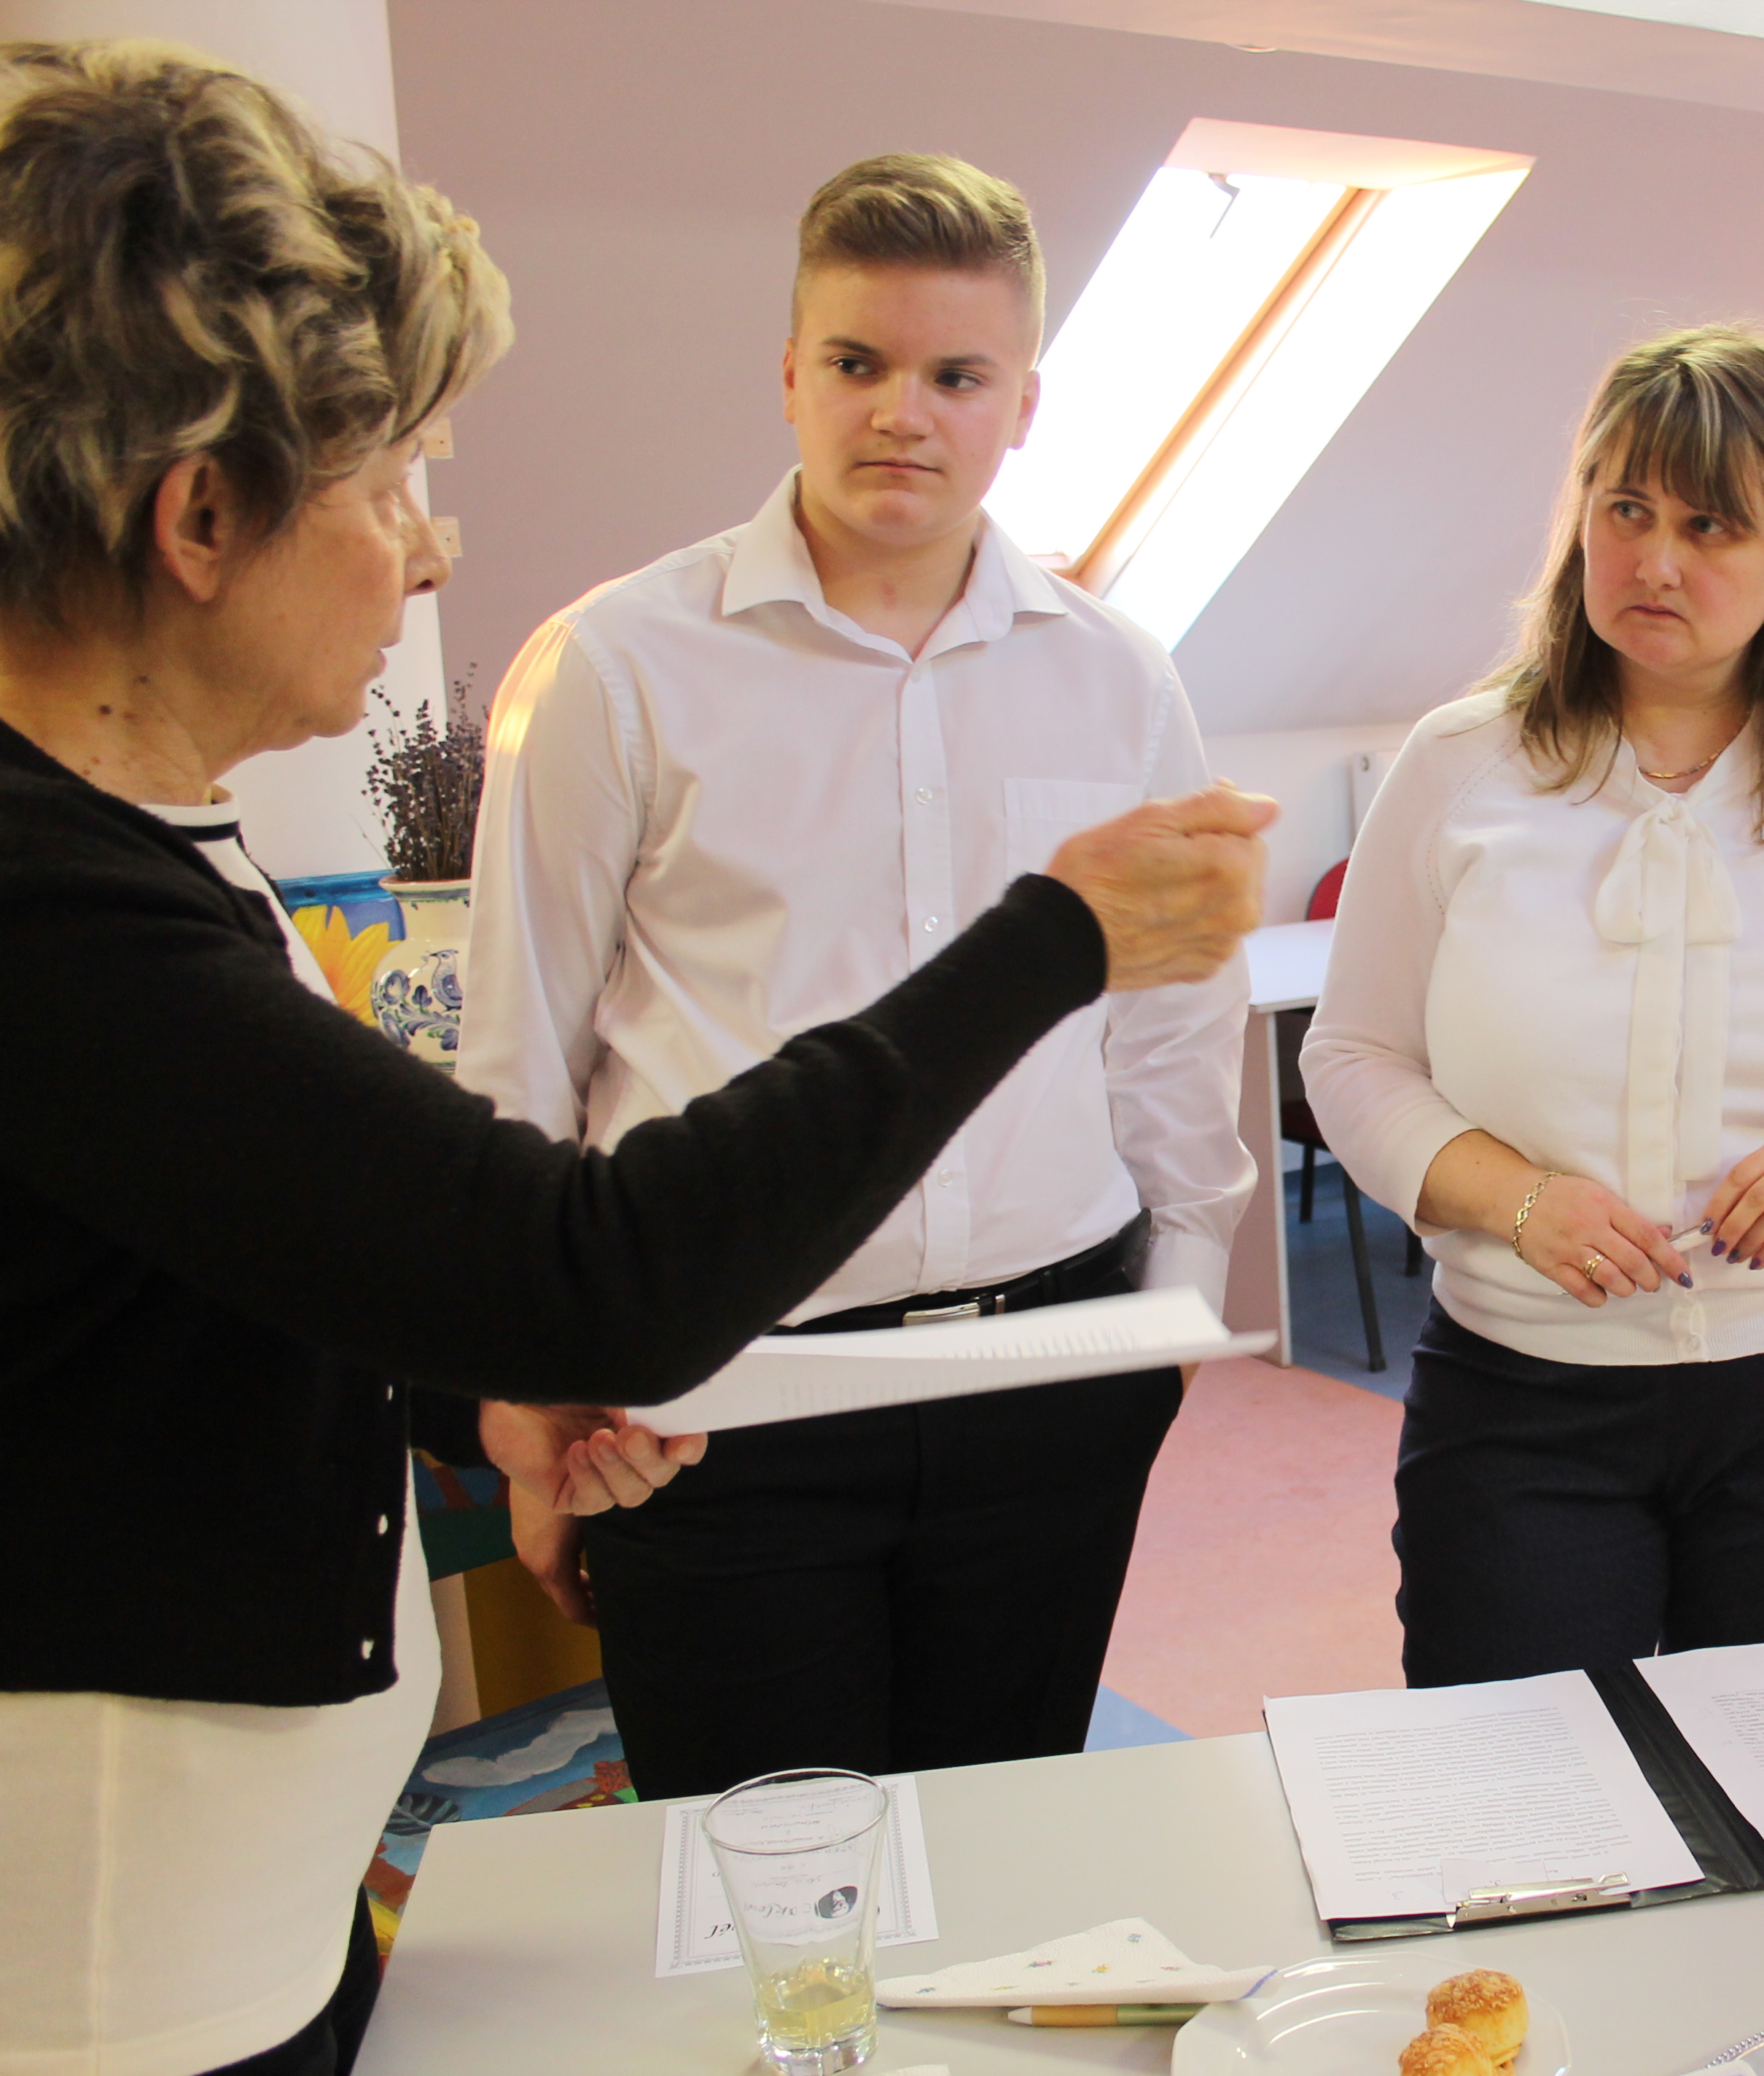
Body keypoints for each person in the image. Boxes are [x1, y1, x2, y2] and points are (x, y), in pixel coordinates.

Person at [0, 43, 1268, 2076]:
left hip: (217, 1894)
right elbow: (572, 1248)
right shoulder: (28, 904)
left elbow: (266, 1253)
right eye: (392, 483)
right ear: (202, 515)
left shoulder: (123, 853)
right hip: (107, 1949)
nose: (429, 552)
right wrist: (1052, 933)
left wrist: (496, 1395)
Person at [458, 153, 1257, 1797]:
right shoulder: (617, 664)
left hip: (1048, 1376)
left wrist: (1170, 1318)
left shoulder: (1118, 679)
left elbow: (1173, 1028)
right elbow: (521, 1049)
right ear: (789, 374)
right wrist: (527, 1387)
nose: (903, 412)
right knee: (762, 1889)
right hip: (723, 1396)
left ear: (1022, 403)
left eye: (956, 374)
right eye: (857, 362)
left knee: (1001, 1855)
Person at [1300, 325, 1764, 1687]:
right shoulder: (1462, 762)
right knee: (1526, 1787)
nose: (1655, 562)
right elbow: (1355, 1059)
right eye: (1626, 510)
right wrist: (1515, 1198)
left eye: (1710, 525)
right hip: (1526, 1386)